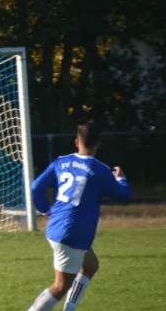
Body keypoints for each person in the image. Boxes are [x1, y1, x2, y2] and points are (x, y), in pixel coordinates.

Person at [27, 121, 131, 310]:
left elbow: (35, 188)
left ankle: (70, 308)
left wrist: (46, 211)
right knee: (60, 286)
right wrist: (121, 178)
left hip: (58, 228)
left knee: (90, 265)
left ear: (76, 142)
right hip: (73, 233)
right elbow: (124, 195)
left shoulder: (61, 162)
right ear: (99, 143)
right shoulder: (100, 170)